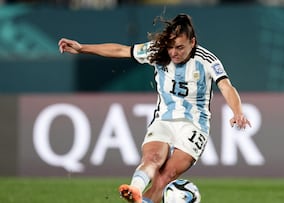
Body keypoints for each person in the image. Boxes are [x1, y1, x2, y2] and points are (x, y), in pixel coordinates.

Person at [58, 13, 251, 203]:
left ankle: (139, 198)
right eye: (170, 47)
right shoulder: (158, 51)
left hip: (194, 126)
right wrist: (82, 48)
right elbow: (121, 51)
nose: (174, 52)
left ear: (193, 42)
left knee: (166, 176)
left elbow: (226, 86)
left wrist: (238, 112)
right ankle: (135, 190)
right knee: (152, 158)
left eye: (180, 47)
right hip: (164, 120)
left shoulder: (207, 60)